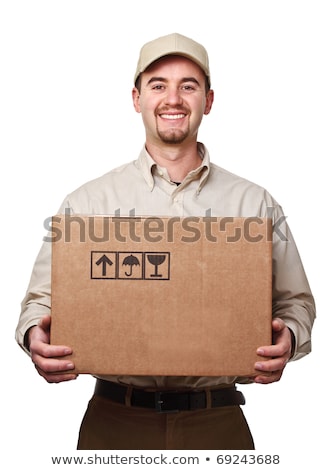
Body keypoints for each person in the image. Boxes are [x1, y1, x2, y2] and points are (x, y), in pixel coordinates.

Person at [15, 32, 316, 450]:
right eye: (158, 85)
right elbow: (40, 302)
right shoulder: (87, 203)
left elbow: (296, 301)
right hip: (113, 424)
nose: (172, 99)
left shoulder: (254, 203)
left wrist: (291, 338)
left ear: (208, 101)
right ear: (136, 98)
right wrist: (35, 336)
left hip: (218, 423)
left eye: (188, 86)